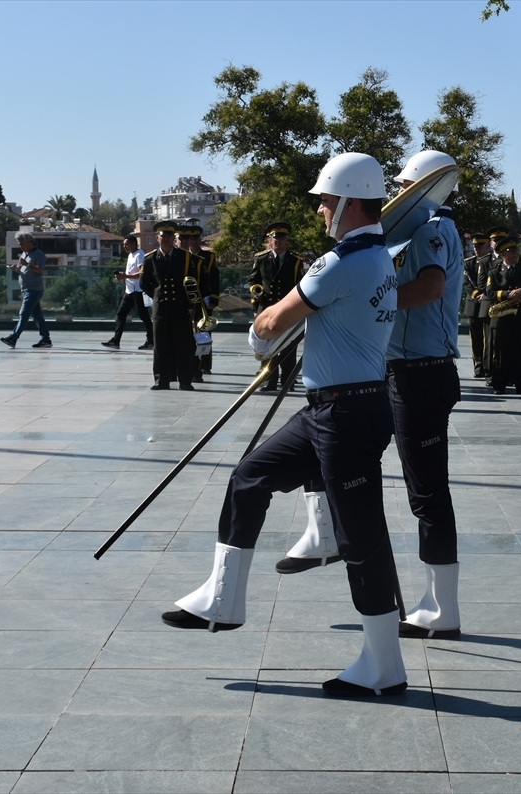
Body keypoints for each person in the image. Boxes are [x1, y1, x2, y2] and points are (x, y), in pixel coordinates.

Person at [161, 152, 407, 697]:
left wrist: (259, 337)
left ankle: (384, 666)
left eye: (324, 200)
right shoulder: (380, 259)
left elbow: (270, 322)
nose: (319, 210)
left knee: (361, 537)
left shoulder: (339, 262)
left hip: (346, 412)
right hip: (330, 407)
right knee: (250, 476)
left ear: (346, 202)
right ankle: (222, 599)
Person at [381, 150, 465, 639]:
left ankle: (442, 609)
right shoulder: (423, 229)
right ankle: (437, 603)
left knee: (428, 492)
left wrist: (368, 298)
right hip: (412, 370)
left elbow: (430, 288)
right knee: (425, 490)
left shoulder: (432, 228)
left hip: (421, 372)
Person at [250, 222, 307, 392]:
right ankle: (269, 380)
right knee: (268, 348)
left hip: (287, 309)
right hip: (266, 309)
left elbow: (300, 284)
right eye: (275, 238)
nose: (278, 241)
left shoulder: (295, 260)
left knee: (289, 347)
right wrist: (255, 303)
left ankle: (288, 381)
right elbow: (254, 281)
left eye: (282, 238)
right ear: (270, 239)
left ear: (286, 240)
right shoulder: (261, 258)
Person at [139, 221, 196, 391]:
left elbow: (192, 283)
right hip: (161, 310)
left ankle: (185, 380)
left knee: (183, 346)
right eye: (163, 236)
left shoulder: (185, 257)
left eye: (169, 236)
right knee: (161, 347)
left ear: (173, 238)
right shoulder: (150, 259)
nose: (166, 239)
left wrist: (192, 305)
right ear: (157, 238)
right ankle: (161, 380)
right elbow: (144, 283)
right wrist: (157, 297)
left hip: (180, 308)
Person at [486, 236, 521, 395]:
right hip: (501, 317)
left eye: (516, 251)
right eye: (511, 252)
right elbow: (490, 292)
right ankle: (499, 384)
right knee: (500, 353)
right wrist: (508, 294)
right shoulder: (494, 271)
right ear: (503, 254)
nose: (515, 254)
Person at [180, 225, 219, 381]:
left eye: (196, 238)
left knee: (204, 334)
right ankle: (190, 364)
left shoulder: (208, 257)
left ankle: (205, 364)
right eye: (191, 238)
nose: (193, 241)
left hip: (204, 299)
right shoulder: (183, 256)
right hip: (186, 301)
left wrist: (214, 298)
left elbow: (214, 278)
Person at [102, 235, 154, 351]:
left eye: (126, 244)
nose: (124, 247)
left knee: (144, 316)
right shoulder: (131, 255)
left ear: (133, 244)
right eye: (124, 244)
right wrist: (123, 276)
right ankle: (116, 340)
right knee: (121, 314)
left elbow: (141, 274)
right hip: (129, 291)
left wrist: (125, 276)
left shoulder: (139, 255)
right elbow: (132, 272)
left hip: (138, 291)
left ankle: (151, 340)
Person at [0, 232, 52, 349]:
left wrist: (27, 264)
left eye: (23, 244)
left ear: (29, 242)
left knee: (24, 314)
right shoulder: (24, 254)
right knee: (37, 316)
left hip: (34, 290)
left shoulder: (39, 254)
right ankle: (46, 339)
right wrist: (17, 269)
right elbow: (24, 270)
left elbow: (40, 271)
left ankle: (14, 337)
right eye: (19, 244)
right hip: (26, 290)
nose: (21, 246)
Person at [462, 231, 492, 378]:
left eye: (480, 246)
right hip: (474, 304)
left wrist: (485, 295)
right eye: (475, 246)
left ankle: (488, 366)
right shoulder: (469, 263)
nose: (476, 249)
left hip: (487, 304)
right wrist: (476, 295)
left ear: (487, 246)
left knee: (488, 338)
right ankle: (478, 365)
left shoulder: (492, 262)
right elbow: (466, 284)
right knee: (476, 338)